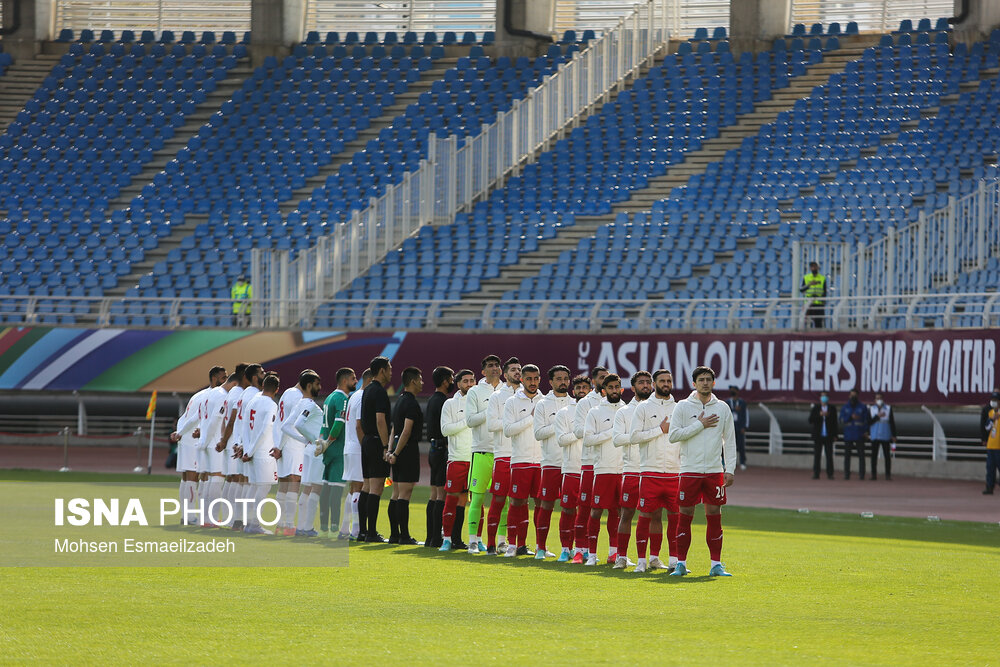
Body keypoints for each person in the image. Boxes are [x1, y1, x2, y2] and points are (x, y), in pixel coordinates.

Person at [668, 366, 736, 577]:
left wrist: (730, 468)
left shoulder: (723, 407)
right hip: (689, 470)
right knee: (685, 515)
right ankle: (680, 563)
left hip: (714, 471)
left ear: (714, 383)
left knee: (714, 516)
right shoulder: (682, 407)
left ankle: (716, 564)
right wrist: (699, 424)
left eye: (708, 379)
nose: (705, 382)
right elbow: (673, 435)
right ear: (693, 383)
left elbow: (730, 440)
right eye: (701, 379)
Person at [631, 369, 678, 573]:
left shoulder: (679, 408)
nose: (666, 384)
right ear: (654, 383)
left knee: (676, 518)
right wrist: (659, 429)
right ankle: (641, 560)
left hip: (675, 473)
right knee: (645, 516)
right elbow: (634, 437)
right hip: (650, 471)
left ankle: (673, 560)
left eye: (669, 380)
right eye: (662, 381)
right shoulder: (643, 408)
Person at [171, 368, 226, 525]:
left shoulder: (200, 394)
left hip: (186, 436)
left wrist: (180, 432)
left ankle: (188, 516)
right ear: (214, 379)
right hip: (192, 438)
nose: (226, 381)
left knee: (187, 479)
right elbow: (200, 418)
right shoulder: (212, 396)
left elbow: (188, 417)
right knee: (196, 477)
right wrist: (185, 433)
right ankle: (193, 517)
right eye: (224, 377)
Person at [583, 373, 625, 566]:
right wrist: (613, 432)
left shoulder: (627, 410)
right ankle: (591, 555)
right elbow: (589, 439)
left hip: (623, 469)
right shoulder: (595, 412)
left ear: (621, 389)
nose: (614, 390)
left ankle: (614, 553)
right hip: (603, 469)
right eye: (610, 388)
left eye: (617, 387)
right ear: (603, 390)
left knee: (617, 513)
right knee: (596, 512)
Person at [532, 365, 573, 560]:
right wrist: (558, 426)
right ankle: (541, 547)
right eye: (559, 378)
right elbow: (538, 433)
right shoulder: (542, 404)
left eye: (565, 378)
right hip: (550, 462)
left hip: (571, 464)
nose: (563, 381)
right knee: (546, 505)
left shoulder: (576, 404)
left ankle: (568, 548)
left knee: (570, 507)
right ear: (550, 382)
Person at [503, 363, 544, 557]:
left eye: (536, 378)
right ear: (522, 380)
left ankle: (539, 546)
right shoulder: (513, 401)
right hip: (521, 460)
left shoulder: (545, 400)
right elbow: (508, 430)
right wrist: (531, 418)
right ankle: (514, 544)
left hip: (542, 461)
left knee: (541, 504)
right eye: (529, 378)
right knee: (517, 502)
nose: (533, 382)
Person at [611, 371, 650, 569]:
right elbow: (617, 439)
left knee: (653, 516)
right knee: (626, 514)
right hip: (631, 469)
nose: (645, 385)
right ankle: (621, 556)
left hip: (652, 470)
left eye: (647, 382)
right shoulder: (624, 412)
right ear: (633, 388)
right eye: (641, 383)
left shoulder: (658, 409)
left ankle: (651, 558)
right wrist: (641, 435)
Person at [464, 354, 503, 554]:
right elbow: (470, 420)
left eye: (497, 365)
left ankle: (502, 541)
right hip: (481, 450)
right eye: (490, 365)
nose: (494, 368)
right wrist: (491, 410)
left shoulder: (508, 391)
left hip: (503, 452)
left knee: (502, 499)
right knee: (477, 499)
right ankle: (473, 540)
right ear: (483, 371)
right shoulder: (475, 392)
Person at [270, 370, 314, 536]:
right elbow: (291, 424)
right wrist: (280, 446)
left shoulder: (287, 392)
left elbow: (280, 422)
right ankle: (288, 524)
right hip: (292, 444)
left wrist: (277, 445)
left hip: (282, 443)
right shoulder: (297, 397)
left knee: (284, 484)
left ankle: (280, 524)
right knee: (294, 480)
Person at [572, 366, 608, 564]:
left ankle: (614, 552)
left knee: (614, 509)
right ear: (593, 381)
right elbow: (579, 432)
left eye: (607, 377)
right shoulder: (585, 403)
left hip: (611, 463)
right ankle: (580, 550)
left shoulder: (617, 403)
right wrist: (600, 431)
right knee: (585, 507)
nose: (605, 381)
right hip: (589, 461)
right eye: (601, 378)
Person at [485, 357, 521, 554]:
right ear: (505, 374)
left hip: (522, 456)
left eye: (519, 369)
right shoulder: (497, 397)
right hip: (503, 455)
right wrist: (512, 423)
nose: (517, 372)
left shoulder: (529, 396)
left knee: (519, 502)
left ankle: (512, 544)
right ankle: (491, 543)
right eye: (513, 369)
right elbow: (491, 425)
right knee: (498, 500)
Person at [554, 374, 590, 562]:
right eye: (578, 387)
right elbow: (561, 439)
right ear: (573, 390)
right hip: (571, 468)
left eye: (585, 387)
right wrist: (583, 432)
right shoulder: (565, 412)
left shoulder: (594, 411)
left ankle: (583, 549)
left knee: (587, 511)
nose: (582, 390)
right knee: (568, 509)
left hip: (590, 468)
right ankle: (565, 548)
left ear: (590, 390)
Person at [439, 369, 475, 552]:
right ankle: (446, 538)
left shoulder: (479, 402)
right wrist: (467, 421)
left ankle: (462, 539)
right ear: (458, 383)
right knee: (452, 499)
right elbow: (445, 430)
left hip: (475, 458)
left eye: (472, 380)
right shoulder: (450, 404)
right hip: (457, 459)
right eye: (465, 381)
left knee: (470, 501)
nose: (469, 384)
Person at [387, 367, 423, 545]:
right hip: (406, 451)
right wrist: (396, 452)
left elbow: (394, 429)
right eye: (420, 379)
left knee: (395, 493)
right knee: (404, 494)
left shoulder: (399, 401)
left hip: (398, 450)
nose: (422, 383)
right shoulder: (411, 403)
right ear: (413, 381)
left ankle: (394, 534)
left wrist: (390, 450)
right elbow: (406, 431)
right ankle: (405, 536)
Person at [241, 373, 280, 534]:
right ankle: (254, 524)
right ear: (277, 389)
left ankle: (248, 522)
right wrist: (250, 451)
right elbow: (265, 430)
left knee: (254, 487)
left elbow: (244, 425)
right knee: (263, 488)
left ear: (263, 385)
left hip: (251, 450)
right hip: (263, 452)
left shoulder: (252, 401)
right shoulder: (271, 405)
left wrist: (246, 448)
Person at [360, 356, 393, 542]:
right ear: (382, 370)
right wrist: (385, 446)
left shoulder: (367, 390)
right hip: (375, 442)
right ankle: (371, 532)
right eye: (389, 369)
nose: (391, 372)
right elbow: (380, 420)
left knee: (366, 486)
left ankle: (363, 531)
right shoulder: (379, 391)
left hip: (366, 440)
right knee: (376, 487)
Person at [199, 370, 236, 525]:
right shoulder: (222, 395)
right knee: (217, 478)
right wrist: (208, 441)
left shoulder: (211, 393)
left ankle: (205, 517)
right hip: (214, 441)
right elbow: (215, 420)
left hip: (207, 441)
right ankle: (210, 518)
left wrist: (203, 440)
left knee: (209, 479)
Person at [318, 369, 351, 538]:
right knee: (337, 491)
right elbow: (338, 424)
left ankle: (323, 527)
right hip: (337, 449)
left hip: (328, 450)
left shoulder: (329, 397)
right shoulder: (342, 399)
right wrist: (329, 442)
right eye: (353, 378)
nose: (355, 381)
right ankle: (334, 529)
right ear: (345, 381)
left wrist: (323, 444)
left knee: (326, 488)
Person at [291, 382, 326, 536]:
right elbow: (298, 424)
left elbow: (286, 426)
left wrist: (305, 440)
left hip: (309, 449)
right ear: (309, 385)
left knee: (307, 488)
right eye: (318, 384)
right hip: (316, 449)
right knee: (316, 487)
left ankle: (301, 527)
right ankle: (307, 528)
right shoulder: (310, 404)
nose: (320, 387)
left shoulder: (299, 404)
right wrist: (313, 438)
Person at [231, 363, 264, 527]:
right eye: (262, 372)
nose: (264, 374)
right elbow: (250, 423)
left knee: (242, 481)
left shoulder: (244, 394)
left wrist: (237, 442)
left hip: (242, 443)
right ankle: (247, 520)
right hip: (249, 445)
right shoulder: (256, 396)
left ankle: (238, 520)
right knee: (250, 483)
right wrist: (244, 444)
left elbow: (239, 421)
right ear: (255, 377)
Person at [215, 362, 248, 528]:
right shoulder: (238, 393)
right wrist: (225, 439)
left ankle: (228, 518)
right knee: (236, 479)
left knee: (231, 479)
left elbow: (224, 418)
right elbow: (232, 420)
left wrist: (223, 439)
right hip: (234, 441)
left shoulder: (231, 392)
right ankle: (233, 519)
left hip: (229, 441)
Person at [424, 366, 453, 547]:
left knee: (434, 494)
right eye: (451, 378)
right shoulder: (444, 401)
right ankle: (436, 537)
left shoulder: (432, 399)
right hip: (442, 450)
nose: (452, 382)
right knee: (441, 495)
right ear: (444, 381)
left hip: (433, 450)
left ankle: (430, 537)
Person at [342, 369, 370, 540]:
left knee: (353, 489)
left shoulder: (353, 396)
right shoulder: (361, 397)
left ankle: (346, 528)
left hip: (349, 446)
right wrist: (365, 446)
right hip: (357, 447)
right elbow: (359, 426)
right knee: (359, 487)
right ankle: (356, 530)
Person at [839, 390, 868, 480]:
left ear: (858, 396)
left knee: (861, 456)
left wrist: (866, 431)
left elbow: (866, 420)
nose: (853, 397)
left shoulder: (863, 407)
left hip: (859, 434)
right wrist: (850, 417)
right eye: (851, 395)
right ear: (849, 396)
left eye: (855, 395)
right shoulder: (845, 407)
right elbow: (841, 420)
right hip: (848, 434)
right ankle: (846, 474)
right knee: (847, 456)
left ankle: (862, 474)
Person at [808, 392, 837, 480]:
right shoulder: (816, 408)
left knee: (829, 456)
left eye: (825, 396)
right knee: (817, 455)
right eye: (822, 396)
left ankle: (830, 474)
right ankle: (816, 473)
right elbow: (810, 420)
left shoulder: (832, 408)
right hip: (818, 435)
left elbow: (835, 423)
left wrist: (835, 435)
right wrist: (819, 415)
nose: (824, 398)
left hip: (828, 436)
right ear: (820, 398)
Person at [868, 392, 896, 481]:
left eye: (880, 398)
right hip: (875, 435)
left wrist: (894, 435)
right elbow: (869, 421)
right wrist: (877, 416)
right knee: (874, 456)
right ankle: (873, 475)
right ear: (874, 400)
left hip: (885, 434)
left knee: (887, 456)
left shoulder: (888, 408)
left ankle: (888, 475)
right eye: (877, 398)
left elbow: (892, 422)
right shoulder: (871, 409)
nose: (878, 400)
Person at [799, 261, 826, 328]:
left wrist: (823, 301)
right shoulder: (806, 277)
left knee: (819, 322)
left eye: (815, 266)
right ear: (810, 268)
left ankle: (819, 336)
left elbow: (824, 291)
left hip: (819, 303)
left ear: (817, 267)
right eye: (812, 267)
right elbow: (801, 289)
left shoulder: (822, 278)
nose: (813, 268)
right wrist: (809, 285)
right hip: (809, 303)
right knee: (808, 322)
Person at [727, 387, 749, 471]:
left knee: (741, 446)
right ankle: (727, 463)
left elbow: (746, 415)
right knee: (728, 446)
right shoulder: (728, 402)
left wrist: (745, 427)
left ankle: (743, 462)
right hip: (730, 428)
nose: (732, 391)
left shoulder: (742, 402)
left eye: (733, 390)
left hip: (739, 428)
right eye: (731, 390)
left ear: (737, 391)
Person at [983, 390, 1000, 495]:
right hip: (991, 445)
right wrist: (992, 419)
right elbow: (987, 427)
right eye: (992, 400)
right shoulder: (991, 412)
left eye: (996, 400)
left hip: (999, 445)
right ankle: (989, 487)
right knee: (990, 467)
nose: (994, 402)